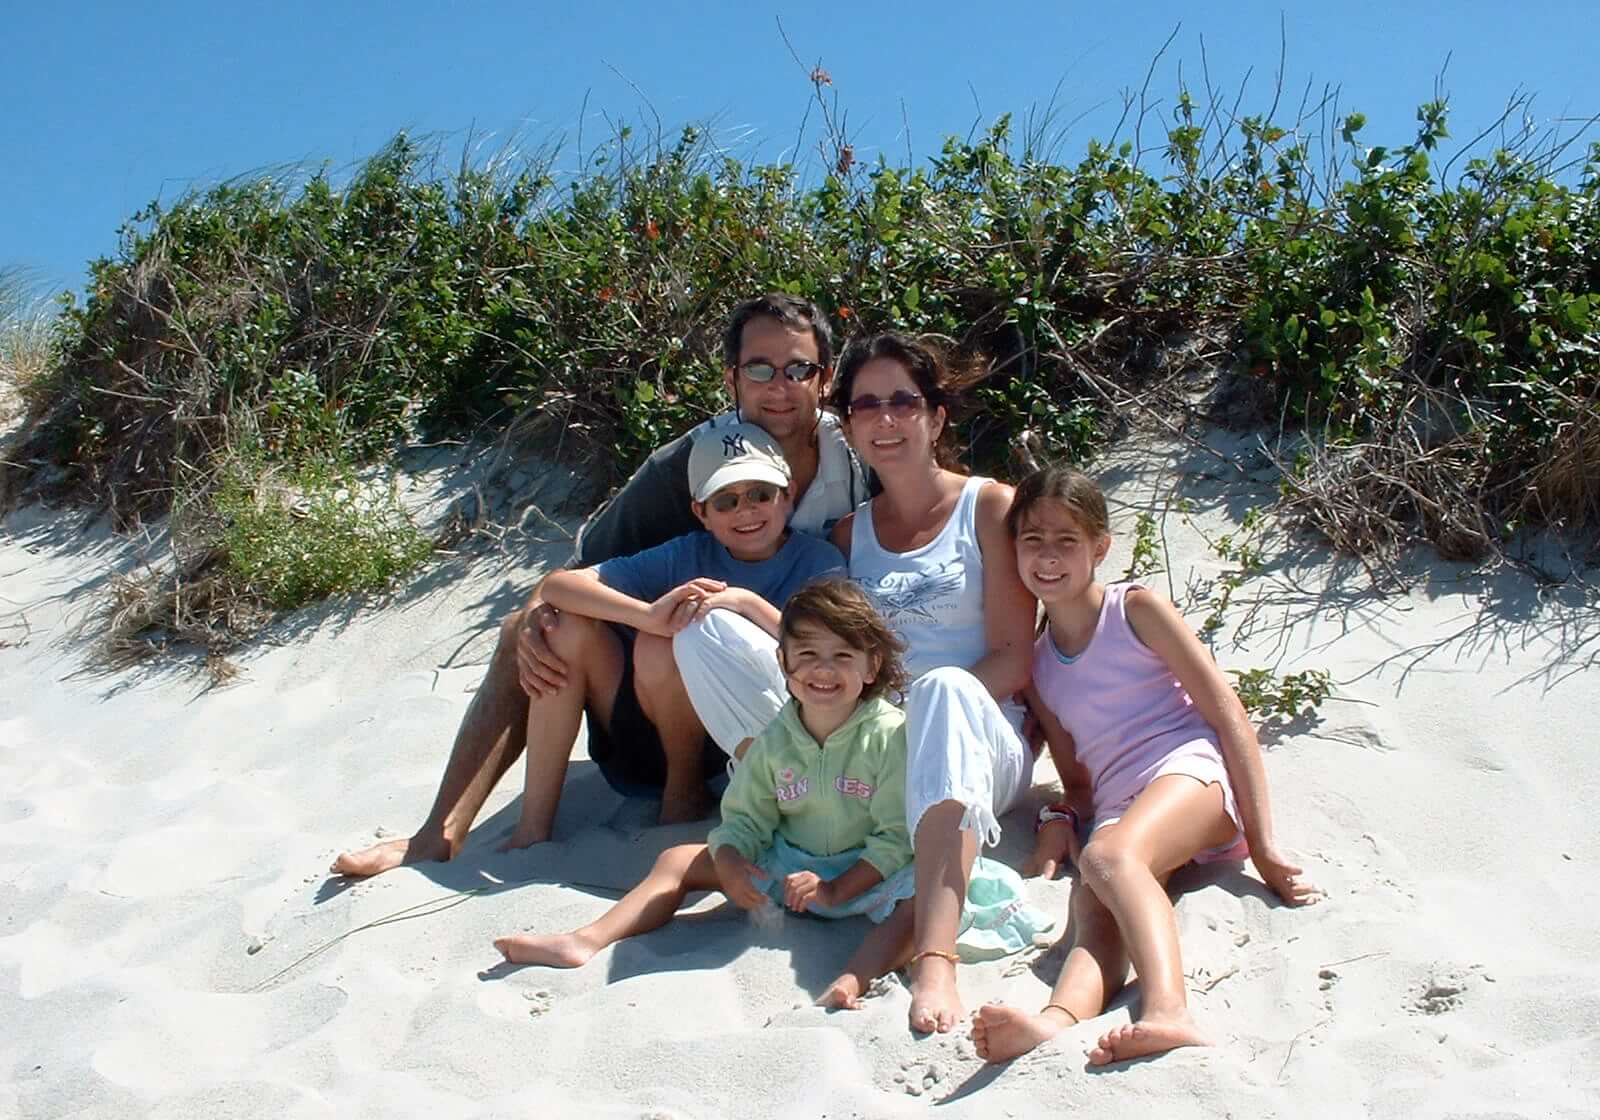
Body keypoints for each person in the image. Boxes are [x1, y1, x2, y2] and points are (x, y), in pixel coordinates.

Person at [332, 293, 866, 878]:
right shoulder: (688, 463)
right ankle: (438, 833)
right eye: (759, 369)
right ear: (732, 378)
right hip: (672, 686)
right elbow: (579, 567)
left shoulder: (859, 456)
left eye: (798, 369)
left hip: (790, 676)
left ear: (826, 376)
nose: (779, 386)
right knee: (533, 627)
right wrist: (536, 621)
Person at [666, 331, 1038, 1035]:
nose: (886, 418)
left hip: (976, 740)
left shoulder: (990, 508)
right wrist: (747, 607)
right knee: (706, 629)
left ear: (937, 414)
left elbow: (1015, 659)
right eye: (867, 405)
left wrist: (909, 716)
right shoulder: (846, 535)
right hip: (870, 741)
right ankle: (792, 811)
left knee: (945, 689)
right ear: (850, 422)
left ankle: (935, 956)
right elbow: (816, 648)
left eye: (904, 400)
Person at [970, 464, 1319, 1067]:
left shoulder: (1134, 610)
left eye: (1066, 541)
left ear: (1099, 548)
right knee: (1091, 902)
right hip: (1119, 804)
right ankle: (1054, 1021)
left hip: (1187, 772)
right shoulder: (1038, 666)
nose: (1048, 557)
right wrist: (1058, 815)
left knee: (1109, 859)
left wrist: (1263, 844)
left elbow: (1227, 713)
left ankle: (1169, 1011)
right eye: (1032, 540)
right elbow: (1077, 782)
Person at [493, 579, 918, 1011]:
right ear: (784, 664)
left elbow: (895, 838)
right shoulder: (776, 738)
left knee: (922, 902)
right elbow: (747, 816)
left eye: (842, 656)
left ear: (871, 666)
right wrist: (733, 857)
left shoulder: (889, 735)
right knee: (676, 861)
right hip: (793, 871)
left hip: (870, 876)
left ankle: (854, 977)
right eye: (807, 655)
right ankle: (585, 940)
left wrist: (837, 889)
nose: (823, 670)